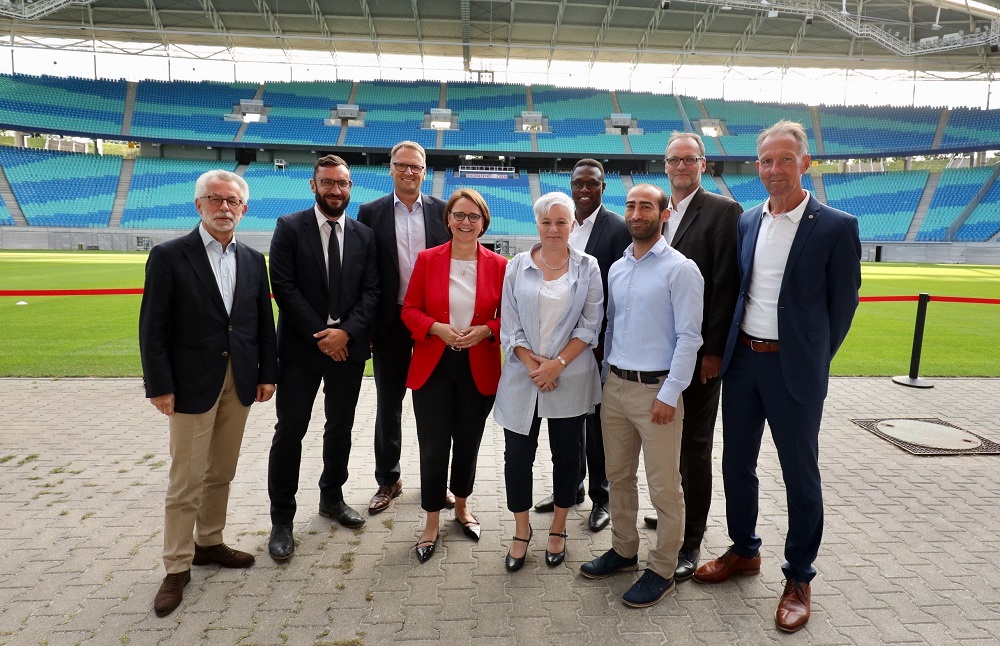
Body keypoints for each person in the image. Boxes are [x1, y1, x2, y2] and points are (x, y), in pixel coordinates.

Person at [693, 120, 861, 634]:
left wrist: (808, 357)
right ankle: (744, 550)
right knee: (736, 464)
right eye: (766, 160)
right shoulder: (747, 221)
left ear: (805, 163)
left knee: (799, 475)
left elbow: (842, 308)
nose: (774, 169)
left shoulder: (835, 226)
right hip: (743, 362)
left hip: (794, 369)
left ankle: (799, 577)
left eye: (785, 159)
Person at [138, 169, 278, 617]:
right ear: (199, 205)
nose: (224, 207)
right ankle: (177, 565)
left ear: (244, 208)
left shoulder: (255, 260)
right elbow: (152, 328)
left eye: (232, 201)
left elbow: (261, 324)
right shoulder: (169, 256)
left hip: (238, 381)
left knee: (221, 471)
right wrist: (159, 386)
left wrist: (265, 374)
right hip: (189, 385)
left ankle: (210, 542)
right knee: (186, 480)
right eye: (215, 199)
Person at [579, 183, 704, 609]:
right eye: (631, 205)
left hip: (657, 393)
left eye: (646, 206)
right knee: (618, 478)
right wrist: (602, 378)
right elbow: (611, 328)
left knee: (665, 487)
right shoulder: (617, 267)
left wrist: (671, 393)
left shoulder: (680, 269)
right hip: (614, 386)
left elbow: (690, 338)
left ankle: (664, 568)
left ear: (664, 213)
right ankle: (624, 550)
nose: (636, 213)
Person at [266, 154, 379, 560]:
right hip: (301, 349)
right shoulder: (289, 227)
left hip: (347, 349)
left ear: (351, 188)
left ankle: (331, 497)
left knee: (341, 427)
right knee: (290, 431)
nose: (336, 191)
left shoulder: (364, 235)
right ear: (313, 186)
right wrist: (323, 336)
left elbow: (372, 292)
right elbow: (284, 286)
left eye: (342, 184)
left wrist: (345, 332)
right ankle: (282, 519)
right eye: (328, 183)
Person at [641, 133, 741, 583]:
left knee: (694, 447)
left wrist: (714, 351)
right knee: (665, 444)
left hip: (699, 357)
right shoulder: (661, 211)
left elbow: (725, 285)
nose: (681, 166)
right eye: (674, 159)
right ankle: (671, 517)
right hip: (658, 356)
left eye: (689, 159)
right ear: (666, 166)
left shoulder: (723, 211)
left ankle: (691, 538)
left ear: (703, 164)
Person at [494, 192, 603, 572]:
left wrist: (556, 364)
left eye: (561, 222)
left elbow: (591, 325)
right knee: (517, 458)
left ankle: (558, 528)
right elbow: (510, 326)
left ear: (573, 225)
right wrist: (533, 364)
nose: (554, 229)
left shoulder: (588, 266)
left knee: (568, 456)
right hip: (523, 377)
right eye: (546, 223)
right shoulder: (517, 265)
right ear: (536, 225)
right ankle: (521, 531)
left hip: (569, 376)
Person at [400, 188, 508, 563]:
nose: (465, 222)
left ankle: (462, 506)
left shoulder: (499, 265)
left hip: (478, 366)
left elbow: (509, 317)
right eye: (459, 215)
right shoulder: (428, 260)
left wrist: (486, 330)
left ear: (483, 223)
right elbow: (410, 309)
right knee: (432, 447)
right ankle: (431, 520)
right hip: (434, 365)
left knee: (468, 443)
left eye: (473, 217)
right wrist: (434, 328)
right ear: (447, 219)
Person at [533, 159, 630, 534]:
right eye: (578, 184)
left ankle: (601, 498)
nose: (584, 189)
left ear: (603, 187)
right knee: (566, 425)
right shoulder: (561, 225)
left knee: (598, 426)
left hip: (597, 346)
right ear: (571, 186)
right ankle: (569, 490)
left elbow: (621, 289)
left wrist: (605, 341)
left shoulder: (617, 229)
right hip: (556, 349)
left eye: (592, 183)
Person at [358, 141, 451, 515]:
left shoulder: (443, 211)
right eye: (402, 165)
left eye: (416, 166)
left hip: (434, 323)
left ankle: (436, 483)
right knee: (388, 403)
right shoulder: (370, 212)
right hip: (390, 322)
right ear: (391, 168)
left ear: (425, 171)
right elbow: (362, 271)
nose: (409, 172)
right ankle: (388, 479)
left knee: (436, 405)